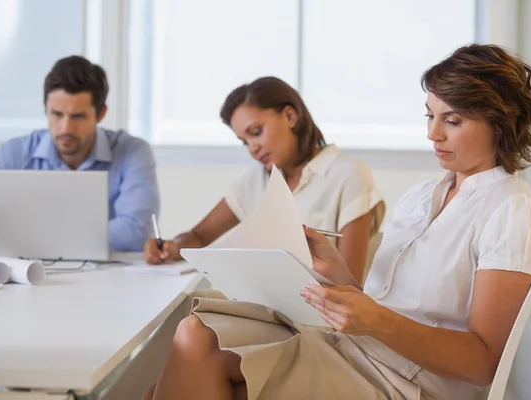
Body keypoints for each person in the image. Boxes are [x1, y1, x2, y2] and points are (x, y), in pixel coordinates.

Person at [142, 44, 531, 400]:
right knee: (196, 333)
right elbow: (389, 304)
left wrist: (375, 320)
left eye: (452, 120)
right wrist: (337, 275)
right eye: (429, 116)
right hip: (354, 350)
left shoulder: (513, 211)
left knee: (191, 364)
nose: (433, 135)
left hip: (404, 385)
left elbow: (483, 362)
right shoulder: (420, 198)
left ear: (500, 123)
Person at [144, 76, 385, 283]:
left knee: (195, 327)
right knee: (192, 321)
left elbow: (349, 284)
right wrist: (172, 246)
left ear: (290, 116)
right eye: (244, 141)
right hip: (268, 307)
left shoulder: (348, 174)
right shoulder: (253, 183)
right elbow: (200, 236)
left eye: (256, 132)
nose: (252, 148)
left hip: (322, 318)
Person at [0, 56, 159, 252]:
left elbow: (137, 231)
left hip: (112, 277)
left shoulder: (132, 152)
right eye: (57, 114)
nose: (65, 128)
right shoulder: (14, 152)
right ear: (45, 108)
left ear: (101, 114)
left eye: (78, 116)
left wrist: (32, 237)